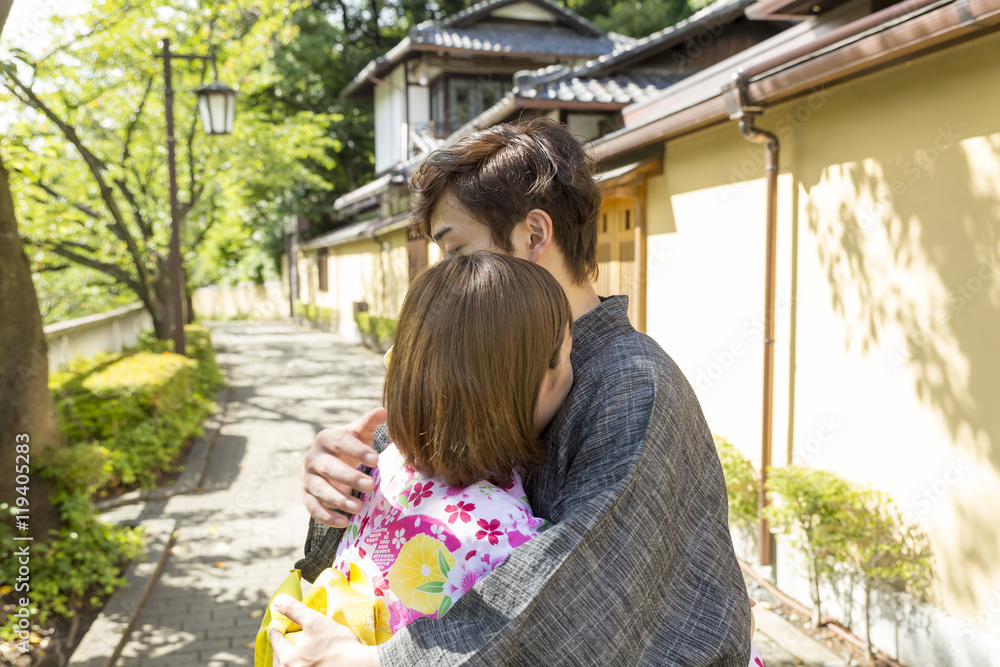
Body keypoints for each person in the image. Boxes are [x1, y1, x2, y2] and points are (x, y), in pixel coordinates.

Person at [270, 117, 754, 666]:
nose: (449, 276)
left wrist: (382, 664)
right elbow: (392, 504)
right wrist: (339, 483)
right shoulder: (483, 347)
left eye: (455, 251)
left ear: (533, 236)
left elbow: (575, 595)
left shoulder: (632, 383)